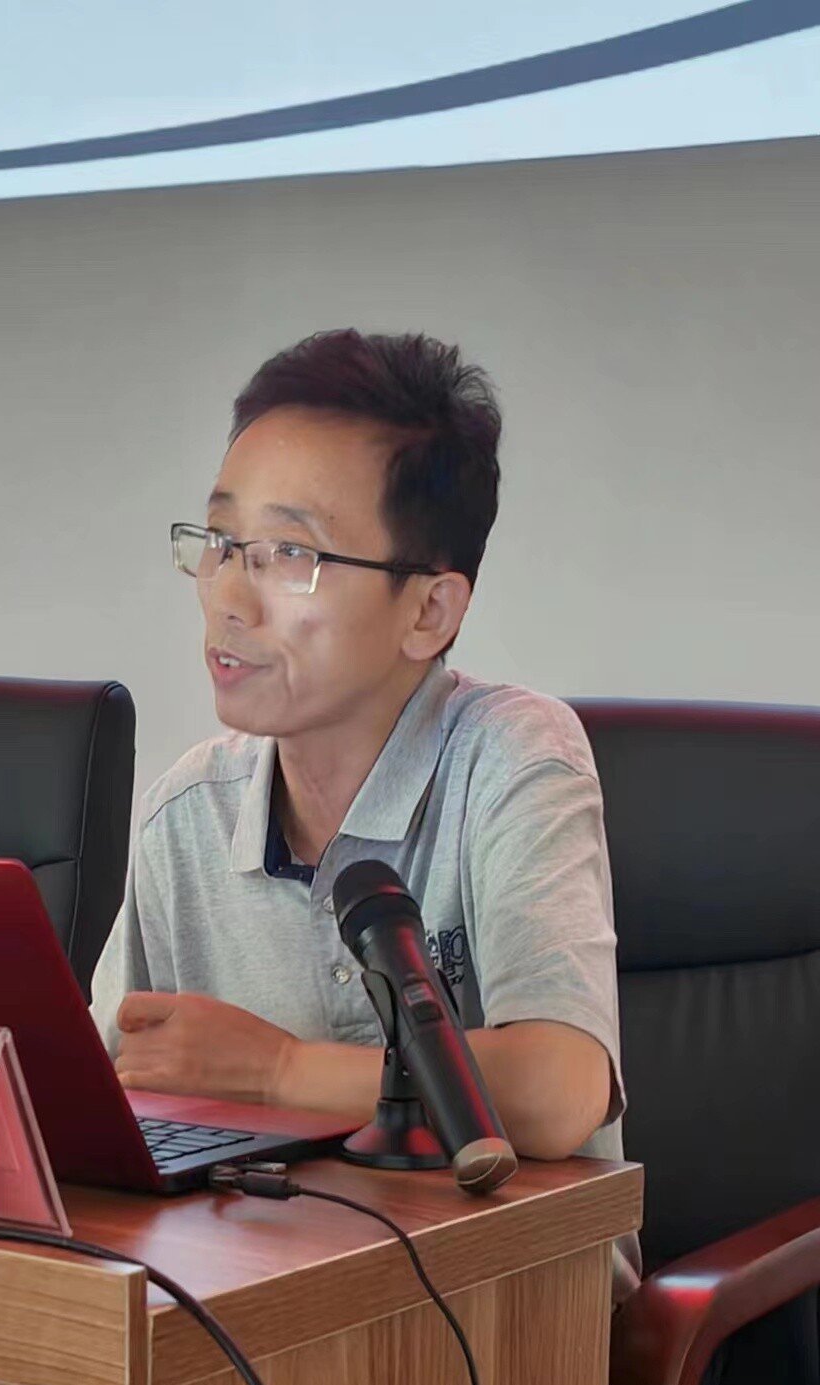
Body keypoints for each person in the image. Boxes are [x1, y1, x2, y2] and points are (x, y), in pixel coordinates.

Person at [92, 328, 637, 1278]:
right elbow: (109, 1087)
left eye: (288, 554)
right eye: (221, 543)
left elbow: (560, 1090)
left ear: (429, 611)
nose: (228, 598)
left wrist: (279, 1074)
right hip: (269, 1293)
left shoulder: (510, 758)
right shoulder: (187, 814)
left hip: (516, 1312)